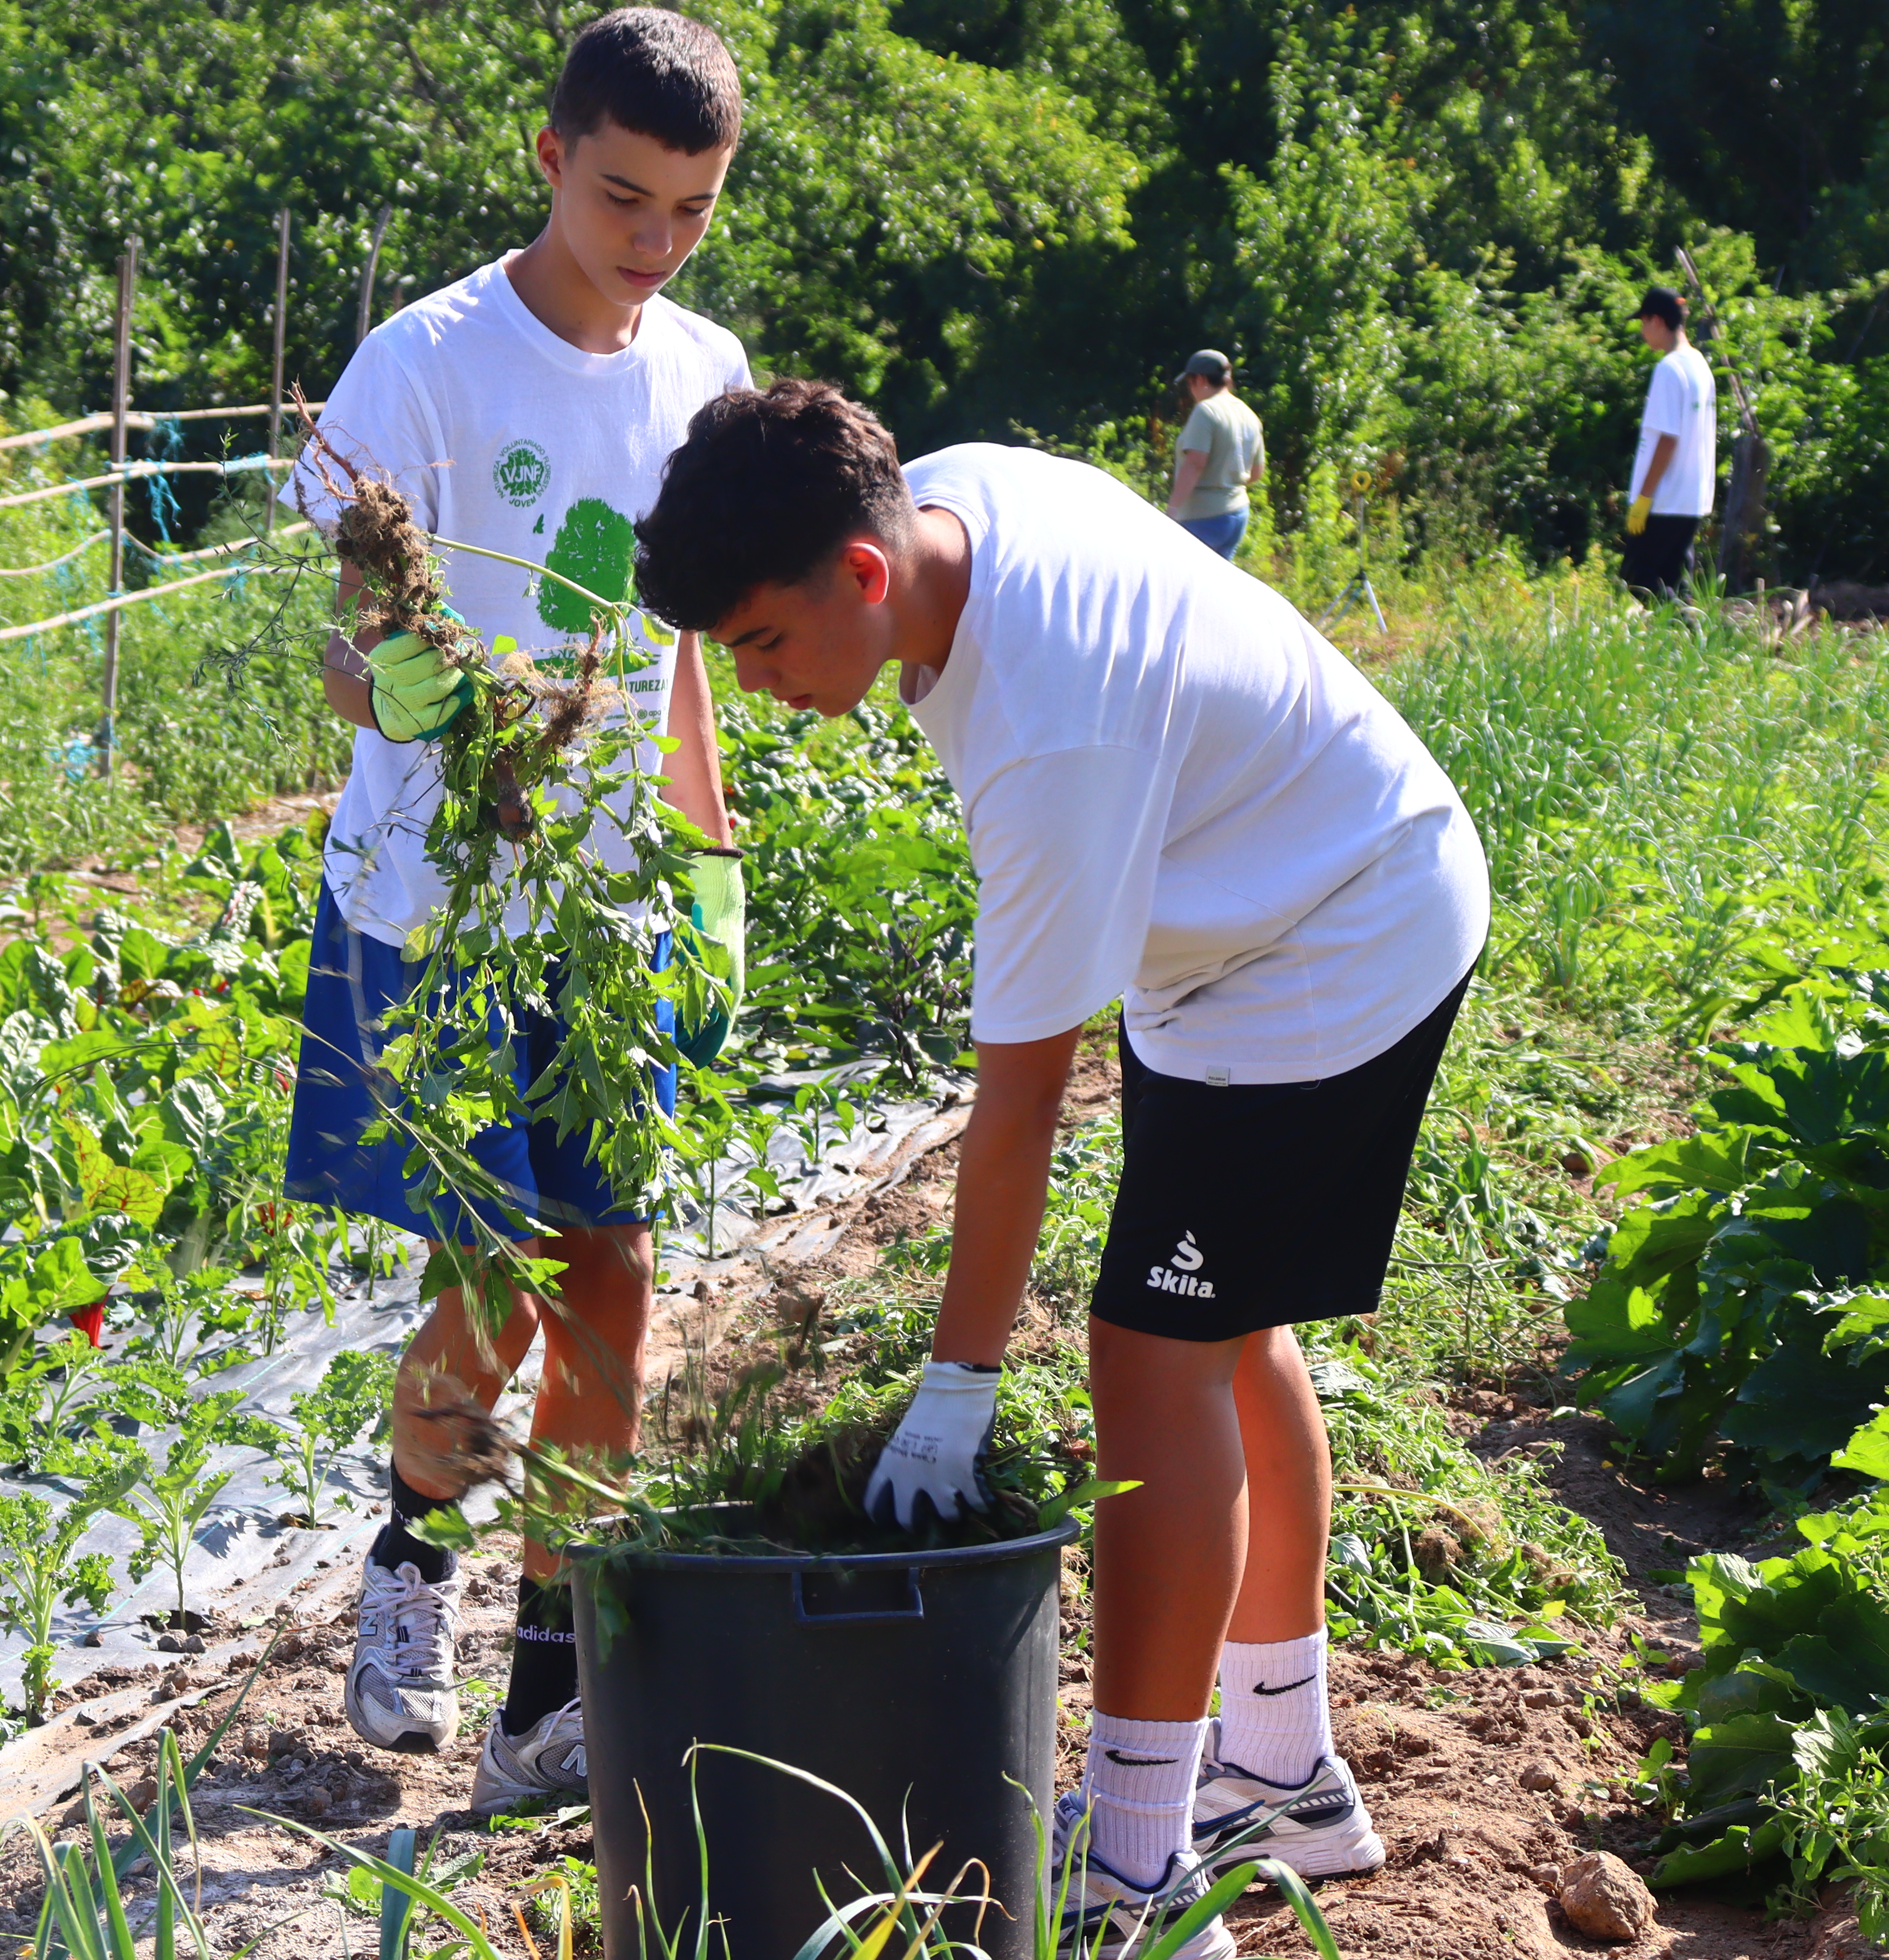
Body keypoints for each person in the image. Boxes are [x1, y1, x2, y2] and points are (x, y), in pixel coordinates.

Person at [634, 381, 1488, 1958]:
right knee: (1224, 1331)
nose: (753, 685)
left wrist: (955, 1386)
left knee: (1151, 1357)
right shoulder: (947, 494)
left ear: (863, 572)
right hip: (1254, 901)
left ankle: (1140, 1868)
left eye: (760, 642)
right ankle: (1280, 1768)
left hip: (1325, 935)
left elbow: (1020, 1103)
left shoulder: (1049, 731)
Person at [289, 6, 749, 1813]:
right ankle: (413, 1558)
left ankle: (548, 1692)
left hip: (609, 909)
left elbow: (684, 650)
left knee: (614, 1272)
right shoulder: (423, 366)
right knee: (489, 1279)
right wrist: (416, 698)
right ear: (551, 157)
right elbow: (349, 647)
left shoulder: (704, 372)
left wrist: (711, 859)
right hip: (437, 897)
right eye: (624, 197)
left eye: (692, 209)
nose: (656, 242)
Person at [1623, 286, 1714, 597]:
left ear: (1657, 321)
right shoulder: (1699, 365)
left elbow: (1667, 440)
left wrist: (1644, 499)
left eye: (1643, 322)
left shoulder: (1669, 368)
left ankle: (1689, 624)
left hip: (1664, 499)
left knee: (1639, 580)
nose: (1642, 331)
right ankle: (1697, 628)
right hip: (1691, 500)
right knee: (1674, 584)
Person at [1167, 348, 1263, 558]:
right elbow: (1256, 472)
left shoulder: (1206, 411)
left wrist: (1172, 511)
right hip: (1238, 514)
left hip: (1201, 518)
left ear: (1200, 379)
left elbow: (1196, 463)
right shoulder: (1249, 414)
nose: (1190, 390)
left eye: (1189, 383)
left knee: (1185, 577)